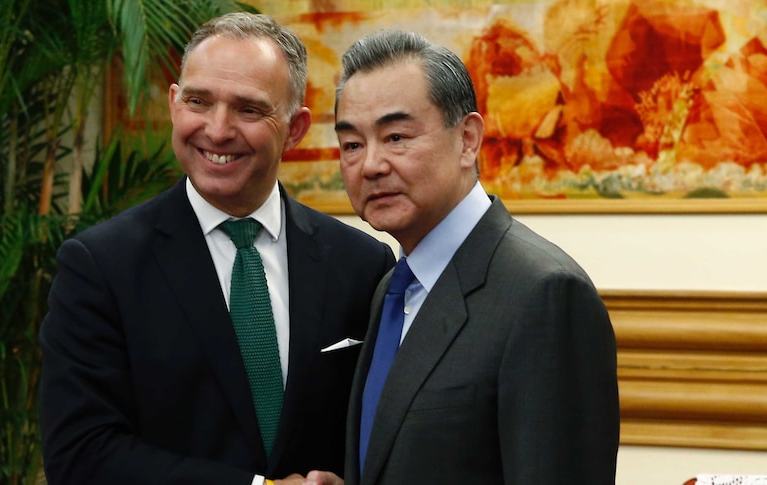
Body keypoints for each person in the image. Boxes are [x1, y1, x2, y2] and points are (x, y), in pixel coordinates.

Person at [39, 13, 394, 485]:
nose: (218, 129)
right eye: (198, 102)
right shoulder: (100, 266)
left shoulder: (364, 265)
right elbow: (81, 454)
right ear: (173, 104)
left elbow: (382, 432)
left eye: (249, 110)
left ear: (295, 127)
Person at [333, 30, 620, 484]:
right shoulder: (393, 287)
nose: (370, 164)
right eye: (351, 144)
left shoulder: (543, 293)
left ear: (467, 139)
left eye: (396, 136)